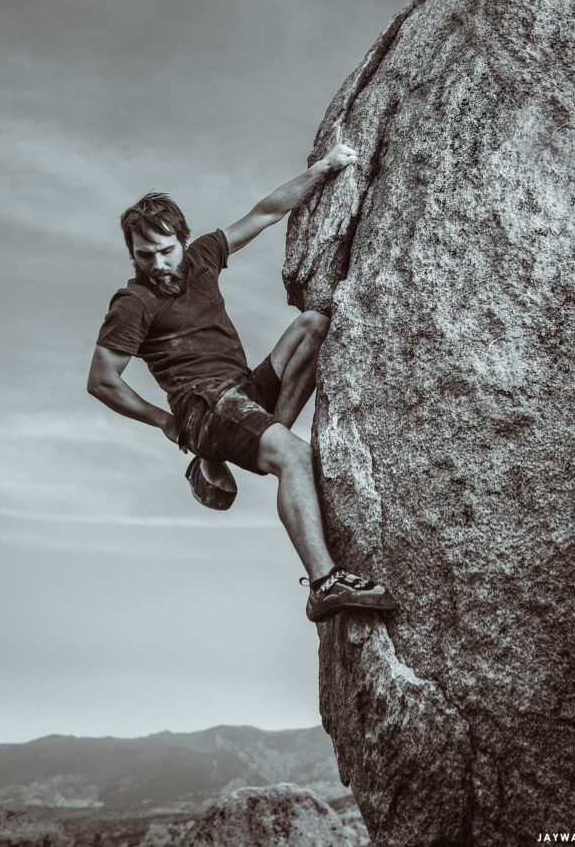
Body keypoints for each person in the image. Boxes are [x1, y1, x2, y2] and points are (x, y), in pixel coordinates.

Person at [87, 144, 396, 623]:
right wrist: (166, 422)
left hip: (241, 390)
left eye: (166, 251)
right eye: (145, 255)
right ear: (132, 253)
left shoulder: (204, 257)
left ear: (182, 241)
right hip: (202, 406)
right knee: (294, 454)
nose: (159, 264)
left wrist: (321, 169)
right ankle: (324, 583)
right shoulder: (134, 302)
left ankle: (239, 450)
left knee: (313, 325)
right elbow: (103, 381)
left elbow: (267, 211)